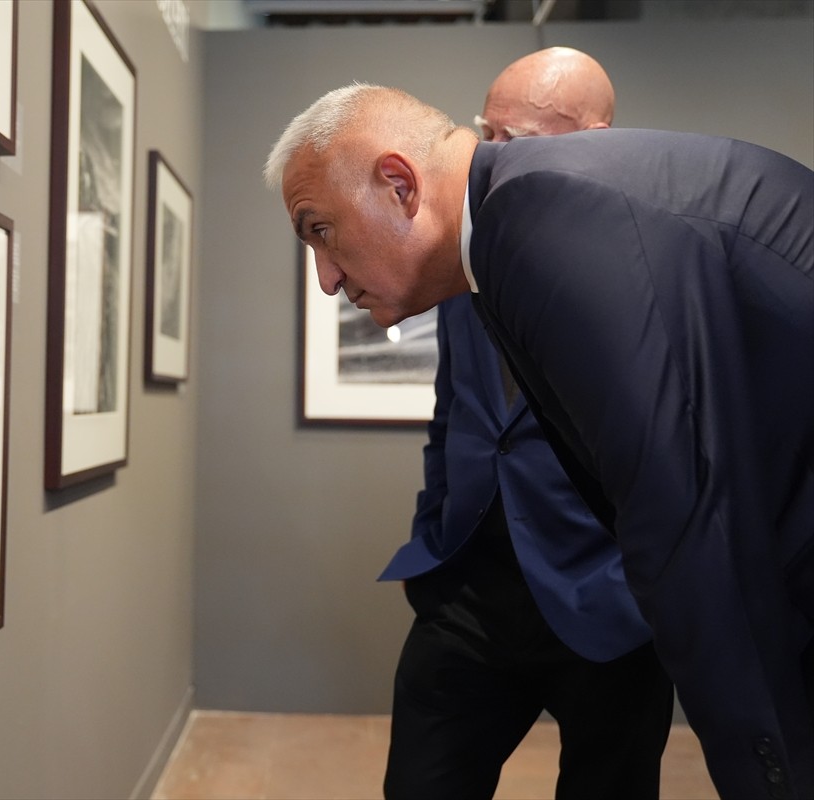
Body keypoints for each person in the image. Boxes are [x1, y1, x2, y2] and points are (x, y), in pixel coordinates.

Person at [263, 81, 814, 799]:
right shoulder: (503, 240)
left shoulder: (537, 212)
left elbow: (684, 515)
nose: (326, 278)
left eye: (321, 230)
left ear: (399, 184)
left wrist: (770, 777)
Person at [376, 48, 674, 800]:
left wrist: (645, 590)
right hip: (466, 597)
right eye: (486, 133)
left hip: (610, 607)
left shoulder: (656, 265)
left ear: (596, 139)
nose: (491, 155)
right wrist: (435, 531)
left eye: (517, 139)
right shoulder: (460, 257)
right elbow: (453, 413)